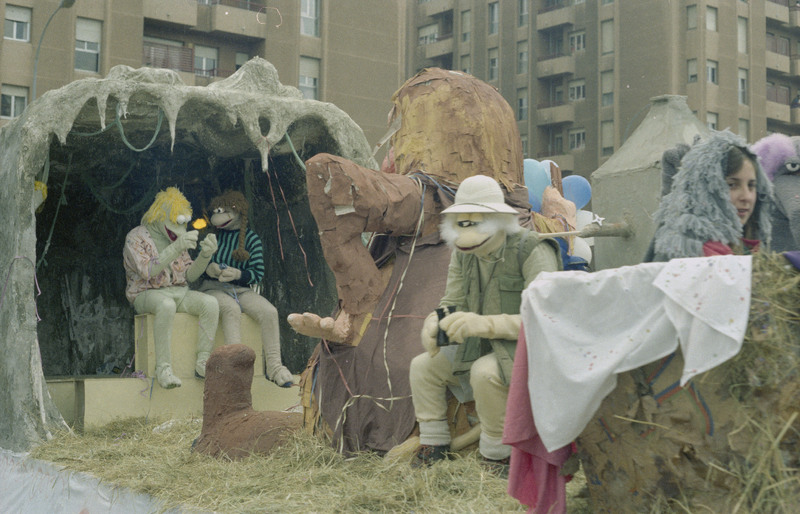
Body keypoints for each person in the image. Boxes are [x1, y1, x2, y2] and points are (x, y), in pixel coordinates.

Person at [408, 174, 561, 473]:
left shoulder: (533, 250)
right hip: (480, 346)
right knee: (423, 367)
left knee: (484, 373)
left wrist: (483, 325)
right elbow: (451, 300)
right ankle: (433, 444)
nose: (466, 233)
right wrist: (434, 323)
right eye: (462, 222)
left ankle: (498, 455)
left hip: (529, 349)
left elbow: (546, 320)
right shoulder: (464, 255)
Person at [123, 187, 219, 389]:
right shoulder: (136, 236)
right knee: (166, 305)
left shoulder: (175, 237)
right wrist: (177, 247)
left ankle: (203, 363)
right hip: (145, 294)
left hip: (179, 291)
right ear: (161, 215)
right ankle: (163, 369)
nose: (180, 229)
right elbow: (148, 271)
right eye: (176, 221)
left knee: (210, 303)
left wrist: (205, 255)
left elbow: (189, 275)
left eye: (183, 223)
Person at [198, 190, 293, 387]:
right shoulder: (212, 237)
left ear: (238, 212)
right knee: (230, 309)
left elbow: (257, 273)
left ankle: (275, 367)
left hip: (241, 290)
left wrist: (238, 274)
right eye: (216, 211)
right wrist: (209, 268)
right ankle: (236, 367)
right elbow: (196, 267)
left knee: (269, 312)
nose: (218, 216)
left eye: (224, 211)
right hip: (213, 288)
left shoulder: (251, 239)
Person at [651, 129, 774, 261]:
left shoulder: (749, 248)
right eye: (732, 185)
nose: (747, 197)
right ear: (704, 190)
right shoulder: (686, 252)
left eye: (751, 185)